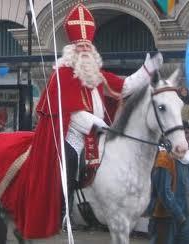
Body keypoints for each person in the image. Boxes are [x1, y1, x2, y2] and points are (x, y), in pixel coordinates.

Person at [36, 3, 163, 229]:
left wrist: (147, 69)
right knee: (69, 160)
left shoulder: (96, 74)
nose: (84, 51)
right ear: (72, 50)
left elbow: (124, 86)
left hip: (98, 130)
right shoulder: (63, 74)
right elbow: (70, 112)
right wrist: (96, 122)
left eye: (88, 47)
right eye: (80, 47)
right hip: (72, 132)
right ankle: (64, 211)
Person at [147, 121, 189, 244]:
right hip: (166, 218)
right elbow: (164, 192)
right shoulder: (165, 157)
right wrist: (179, 215)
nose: (187, 137)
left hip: (185, 217)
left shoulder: (187, 158)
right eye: (185, 133)